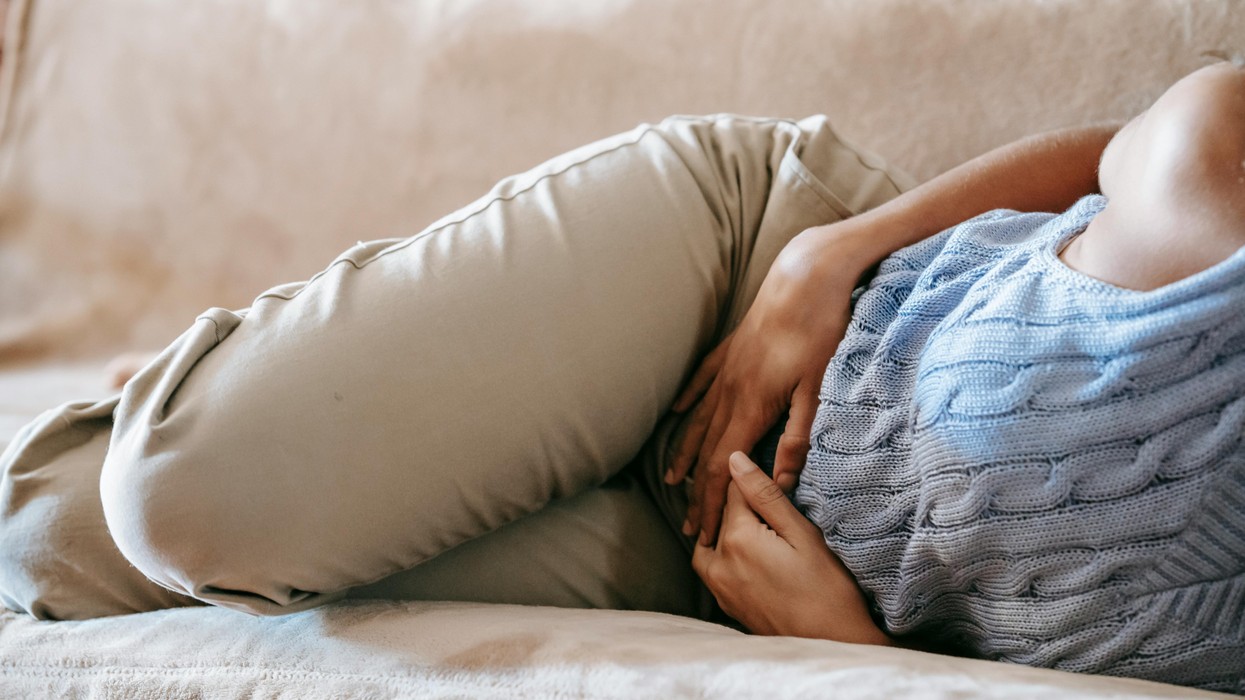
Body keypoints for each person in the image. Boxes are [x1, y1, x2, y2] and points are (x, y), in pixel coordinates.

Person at [1, 61, 1241, 692]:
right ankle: (255, 377)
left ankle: (256, 379)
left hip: (719, 567)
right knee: (177, 491)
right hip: (746, 287)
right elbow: (1123, 146)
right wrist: (832, 252)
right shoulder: (1220, 171)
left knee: (46, 540)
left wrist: (854, 653)